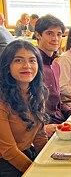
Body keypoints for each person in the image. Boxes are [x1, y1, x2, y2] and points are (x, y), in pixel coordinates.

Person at [0, 40, 48, 176]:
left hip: (27, 155)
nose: (27, 66)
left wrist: (51, 160)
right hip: (6, 164)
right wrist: (37, 172)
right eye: (18, 61)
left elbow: (39, 137)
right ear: (7, 66)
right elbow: (8, 151)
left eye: (32, 61)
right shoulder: (2, 100)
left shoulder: (36, 93)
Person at [34, 14, 71, 137]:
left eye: (59, 34)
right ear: (38, 35)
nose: (55, 38)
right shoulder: (32, 66)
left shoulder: (55, 65)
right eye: (49, 33)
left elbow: (57, 101)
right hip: (45, 130)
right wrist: (41, 129)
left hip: (61, 122)